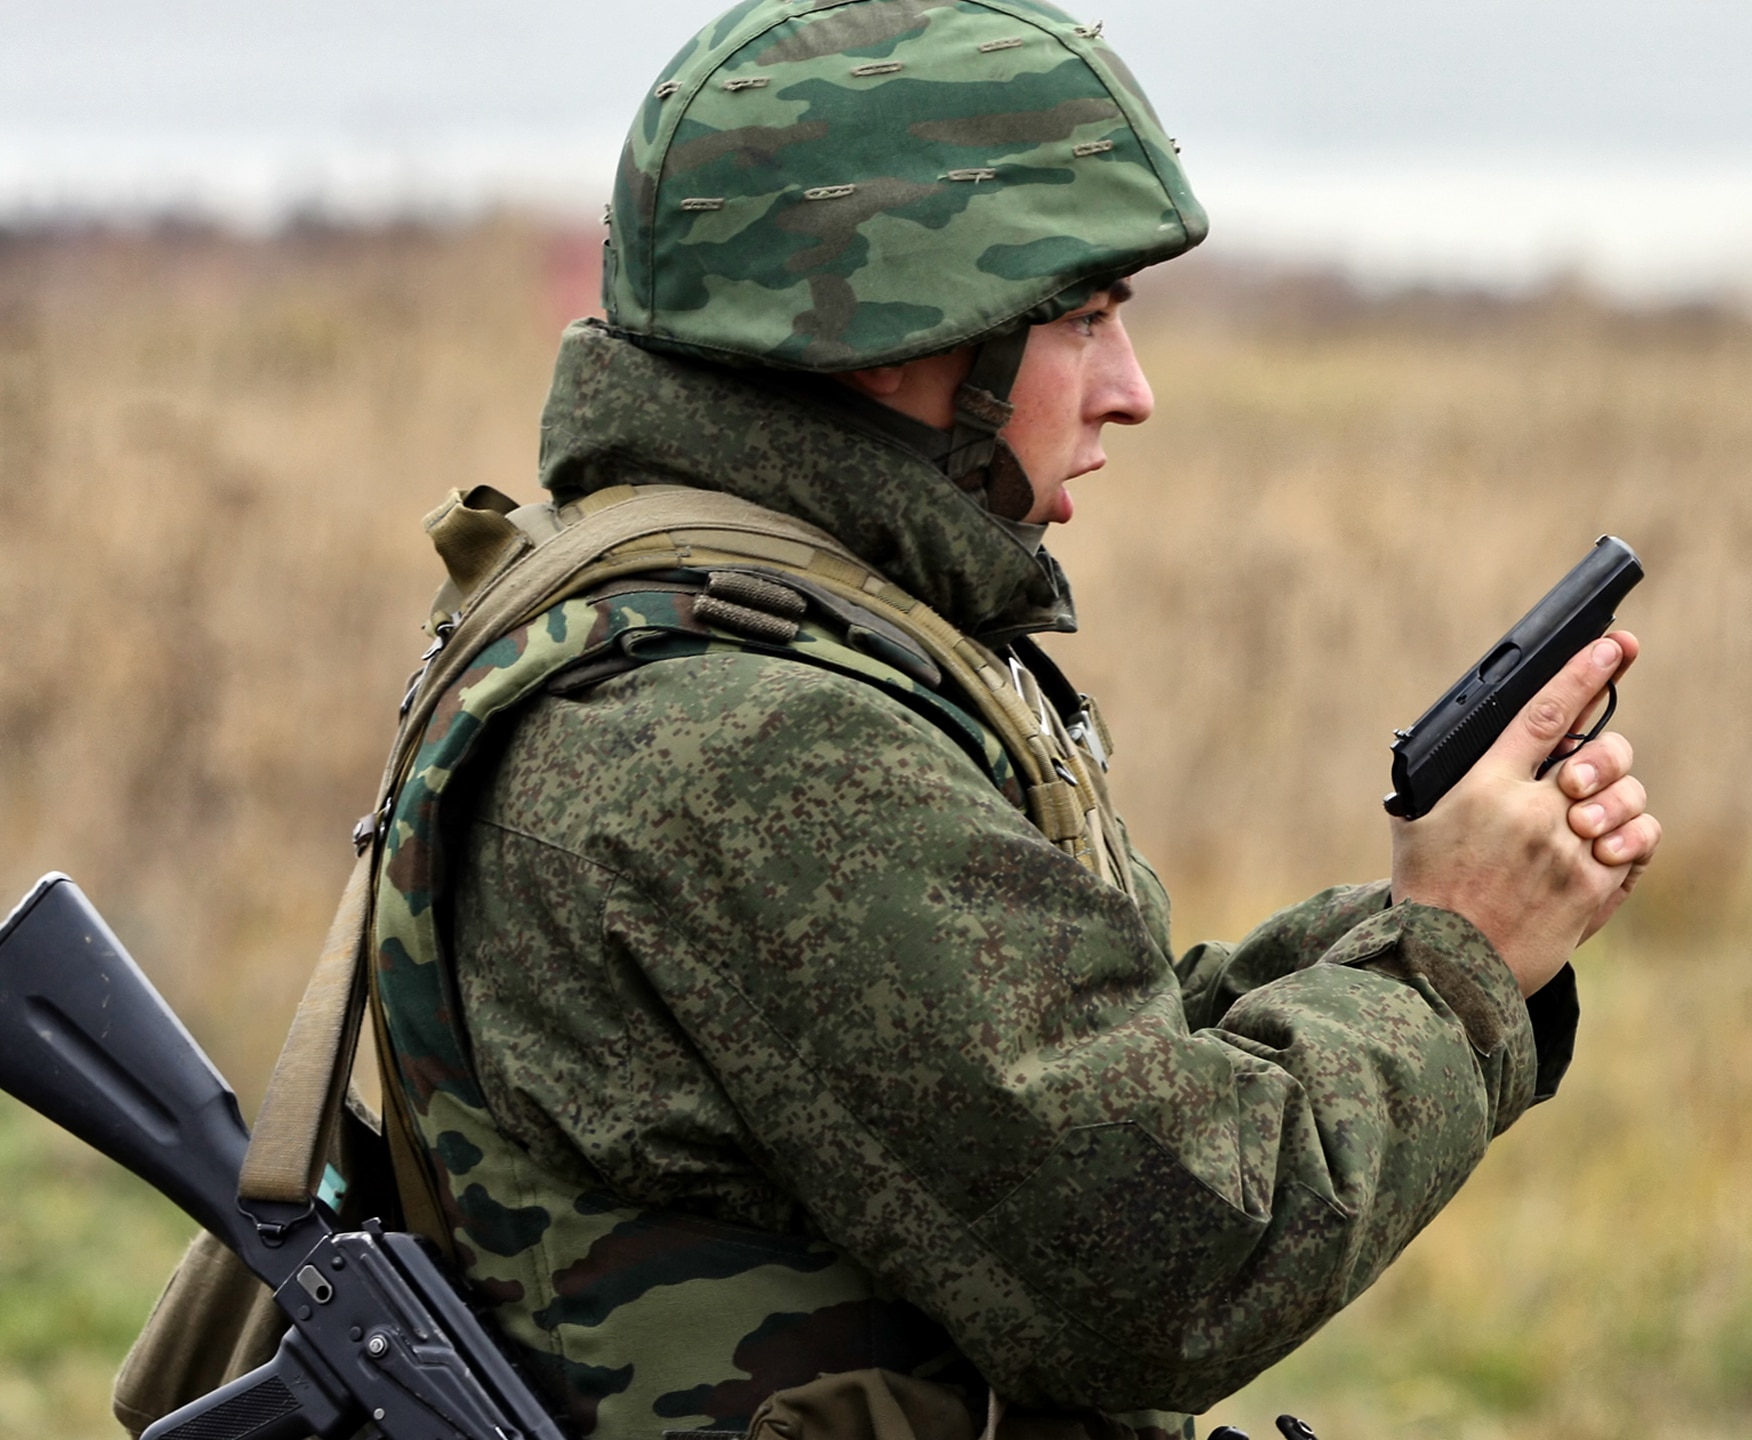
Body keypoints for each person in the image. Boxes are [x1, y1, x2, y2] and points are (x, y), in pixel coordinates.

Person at [366, 4, 1661, 1438]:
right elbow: (1176, 1259)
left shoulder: (702, 623)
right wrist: (1455, 961)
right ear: (890, 336)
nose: (1133, 393)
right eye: (1086, 318)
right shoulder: (748, 742)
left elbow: (1054, 1072)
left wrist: (1429, 917)